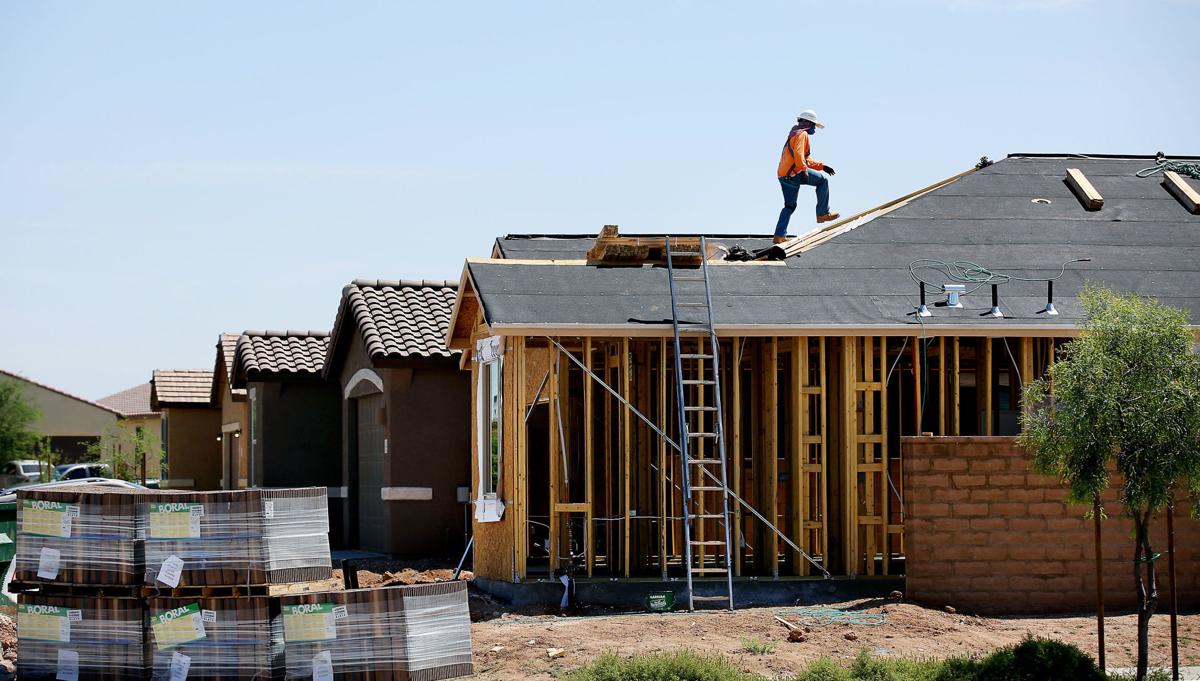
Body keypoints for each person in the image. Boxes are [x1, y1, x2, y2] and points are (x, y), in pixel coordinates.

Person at [774, 109, 839, 243]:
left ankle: (779, 236)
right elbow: (799, 155)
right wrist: (803, 170)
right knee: (823, 181)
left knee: (789, 206)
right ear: (809, 123)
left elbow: (804, 158)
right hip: (795, 173)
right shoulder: (802, 134)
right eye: (814, 125)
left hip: (783, 175)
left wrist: (822, 166)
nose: (814, 128)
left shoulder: (794, 133)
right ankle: (822, 214)